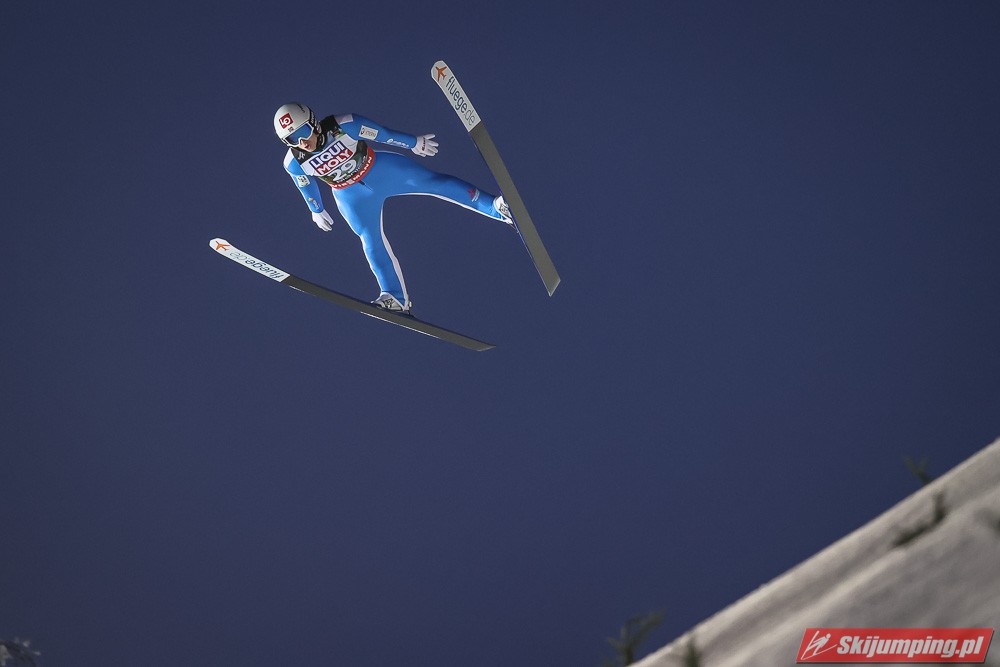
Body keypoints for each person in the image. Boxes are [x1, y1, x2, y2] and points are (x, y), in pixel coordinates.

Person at [274, 102, 513, 314]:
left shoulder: (343, 126)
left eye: (303, 132)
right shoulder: (294, 162)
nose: (302, 142)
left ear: (313, 123)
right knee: (370, 240)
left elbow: (383, 134)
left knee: (436, 184)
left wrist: (413, 143)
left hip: (381, 170)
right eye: (292, 140)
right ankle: (395, 298)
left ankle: (496, 208)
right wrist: (316, 209)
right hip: (351, 196)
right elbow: (305, 185)